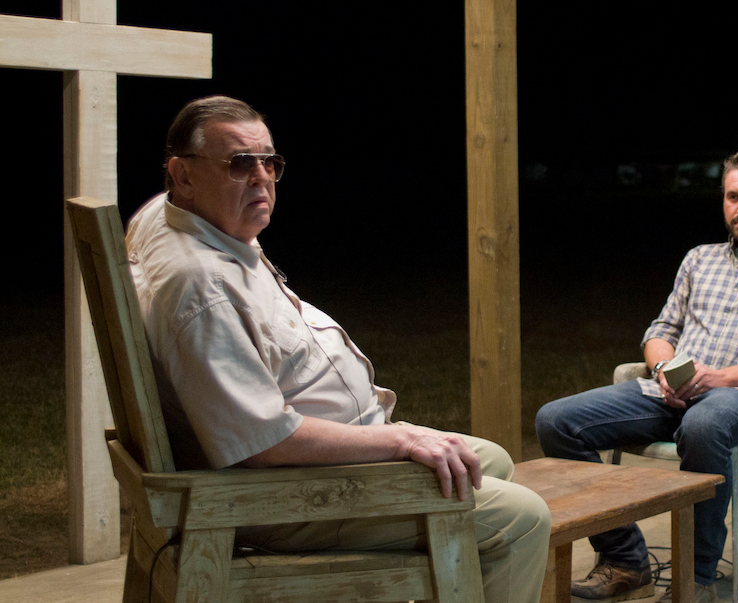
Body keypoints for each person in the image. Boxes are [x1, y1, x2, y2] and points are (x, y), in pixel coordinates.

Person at [125, 95, 551, 603]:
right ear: (182, 175)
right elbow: (264, 444)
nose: (261, 177)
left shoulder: (169, 217)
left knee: (489, 461)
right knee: (522, 519)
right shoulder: (201, 285)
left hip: (312, 461)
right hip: (284, 494)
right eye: (239, 164)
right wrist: (401, 441)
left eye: (270, 161)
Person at [536, 148, 738, 603]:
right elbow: (662, 331)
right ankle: (626, 560)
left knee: (705, 423)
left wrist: (725, 378)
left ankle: (695, 578)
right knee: (555, 421)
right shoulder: (700, 258)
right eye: (732, 196)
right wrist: (662, 370)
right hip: (670, 393)